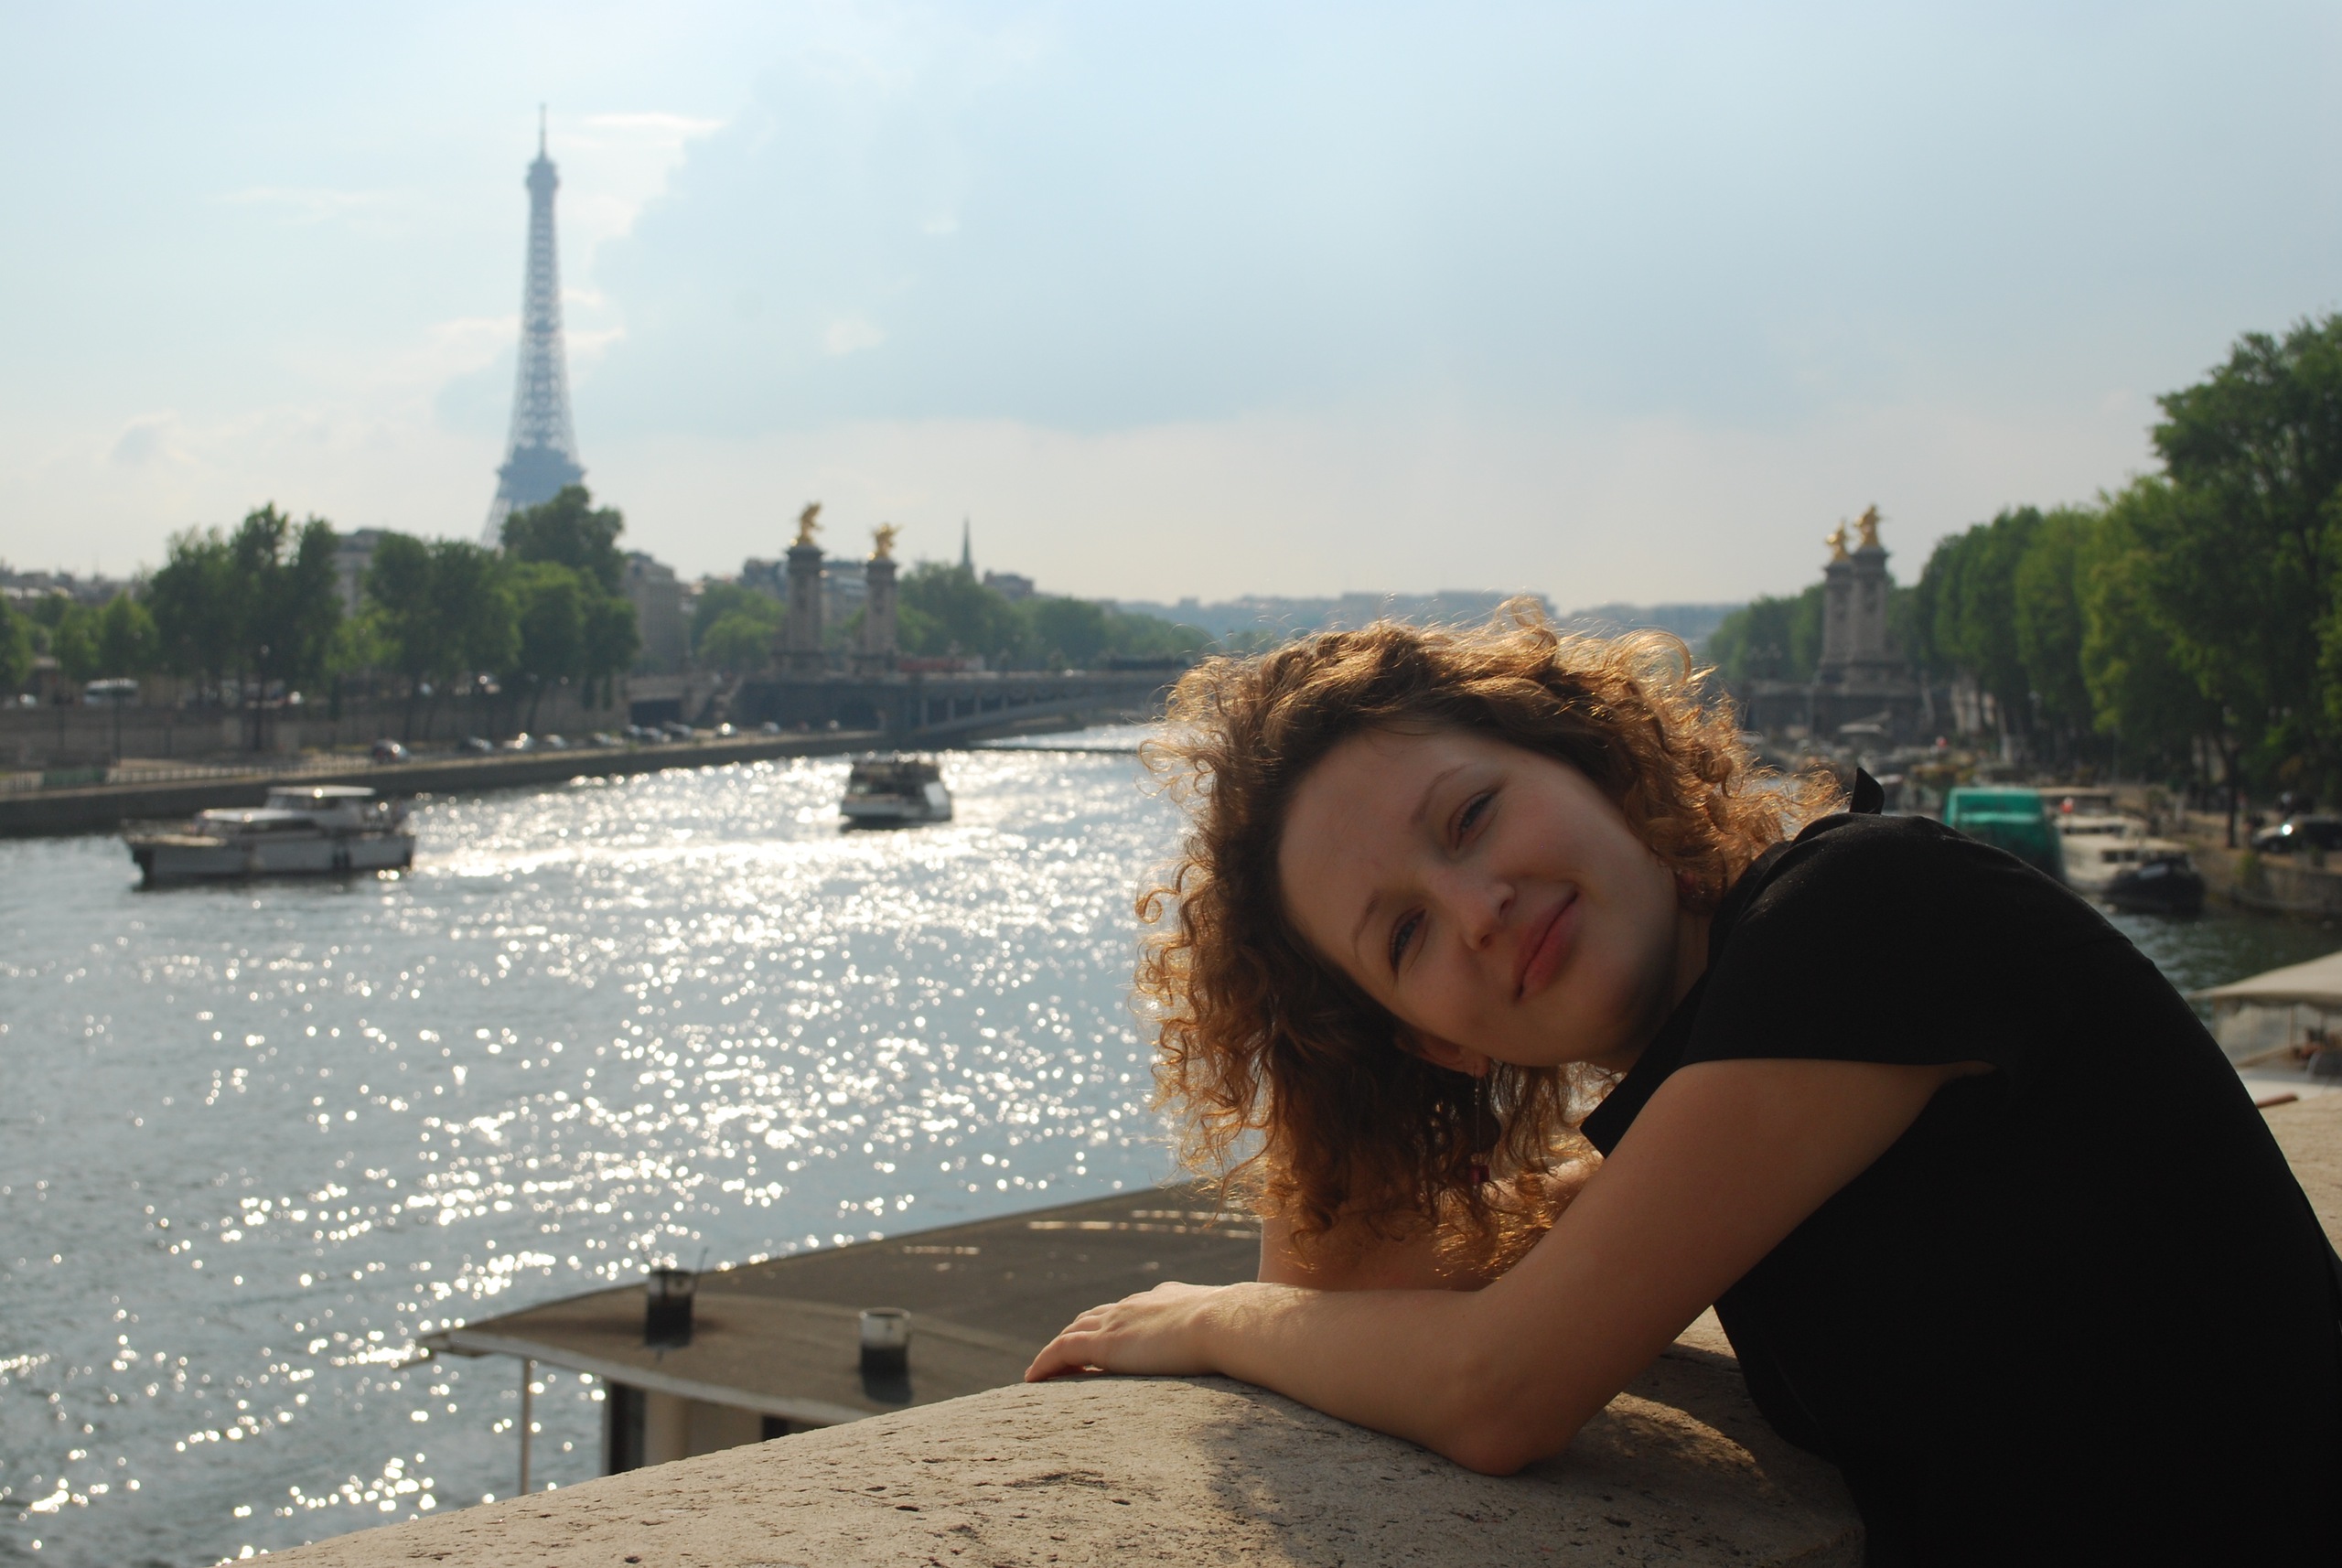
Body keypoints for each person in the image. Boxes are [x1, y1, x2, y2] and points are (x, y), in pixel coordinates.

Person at [1026, 614, 2342, 1565]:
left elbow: (1496, 1389)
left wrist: (1211, 1320)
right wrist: (1335, 1079)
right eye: (1407, 937)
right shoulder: (1719, 1089)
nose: (1479, 910)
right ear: (1431, 1043)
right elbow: (1357, 1286)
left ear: (1597, 763)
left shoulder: (1858, 916)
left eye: (1471, 817)